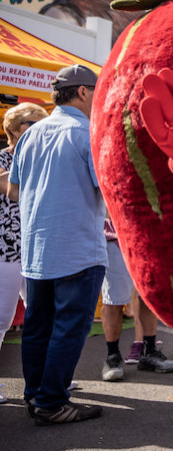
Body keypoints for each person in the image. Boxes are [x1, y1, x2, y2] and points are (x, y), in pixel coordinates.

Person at [8, 64, 107, 425]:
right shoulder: (86, 132)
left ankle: (36, 394)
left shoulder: (32, 134)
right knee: (69, 327)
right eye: (96, 91)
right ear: (82, 92)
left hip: (38, 247)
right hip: (77, 247)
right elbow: (107, 188)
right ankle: (50, 401)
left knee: (39, 325)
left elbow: (14, 190)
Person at [0, 103, 49, 404]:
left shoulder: (42, 163)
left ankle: (47, 378)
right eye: (34, 123)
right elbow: (11, 188)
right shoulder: (2, 159)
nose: (41, 130)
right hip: (4, 250)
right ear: (15, 129)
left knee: (42, 316)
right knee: (1, 320)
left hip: (36, 250)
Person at [100, 220, 173, 380]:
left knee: (148, 296)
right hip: (116, 238)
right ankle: (112, 357)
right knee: (113, 300)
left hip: (148, 235)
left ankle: (149, 352)